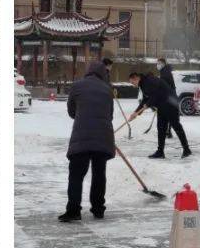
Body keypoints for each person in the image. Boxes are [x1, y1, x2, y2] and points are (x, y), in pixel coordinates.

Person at [60, 61, 115, 222]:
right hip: (103, 137)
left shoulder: (77, 86)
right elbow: (110, 114)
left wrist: (83, 115)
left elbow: (71, 111)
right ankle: (98, 209)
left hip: (81, 137)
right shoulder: (107, 89)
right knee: (99, 174)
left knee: (76, 175)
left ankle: (73, 210)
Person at [126, 68, 190, 160]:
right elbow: (145, 99)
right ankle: (160, 152)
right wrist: (136, 112)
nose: (133, 85)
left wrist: (147, 105)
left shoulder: (150, 81)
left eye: (132, 82)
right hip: (162, 106)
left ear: (136, 78)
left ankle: (186, 149)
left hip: (170, 104)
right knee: (161, 128)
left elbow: (156, 95)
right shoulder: (143, 83)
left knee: (176, 126)